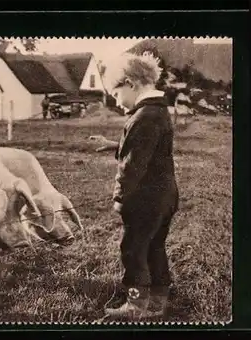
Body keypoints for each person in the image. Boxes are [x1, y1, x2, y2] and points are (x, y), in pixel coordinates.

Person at [89, 52, 179, 320]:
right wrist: (114, 144)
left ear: (130, 83)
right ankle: (158, 302)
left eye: (116, 94)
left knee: (134, 249)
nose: (117, 102)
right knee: (154, 247)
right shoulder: (158, 111)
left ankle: (136, 306)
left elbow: (132, 166)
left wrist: (120, 197)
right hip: (164, 197)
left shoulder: (143, 117)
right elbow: (146, 150)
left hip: (144, 200)